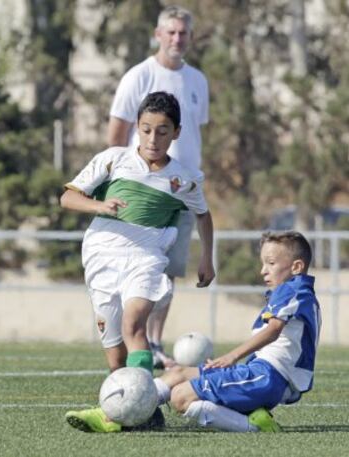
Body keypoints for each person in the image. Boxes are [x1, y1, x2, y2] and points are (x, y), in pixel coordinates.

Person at [61, 91, 215, 433]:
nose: (153, 139)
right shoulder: (113, 160)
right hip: (101, 254)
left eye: (162, 131)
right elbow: (68, 197)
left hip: (146, 256)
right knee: (115, 354)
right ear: (137, 128)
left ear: (175, 132)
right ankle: (126, 410)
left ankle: (144, 407)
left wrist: (207, 258)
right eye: (146, 129)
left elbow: (204, 217)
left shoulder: (185, 178)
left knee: (134, 324)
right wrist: (98, 206)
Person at [107, 5, 209, 368]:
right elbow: (118, 134)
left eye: (183, 33)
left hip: (181, 191)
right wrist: (114, 182)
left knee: (168, 270)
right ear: (157, 34)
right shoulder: (138, 76)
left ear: (190, 37)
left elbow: (195, 135)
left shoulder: (198, 80)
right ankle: (127, 339)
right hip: (142, 190)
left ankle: (154, 342)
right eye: (170, 32)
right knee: (136, 266)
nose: (177, 38)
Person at [152, 231, 322, 432]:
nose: (263, 271)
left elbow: (274, 330)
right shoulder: (299, 293)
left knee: (180, 397)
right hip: (262, 374)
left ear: (296, 267)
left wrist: (231, 356)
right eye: (263, 263)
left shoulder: (293, 289)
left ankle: (252, 426)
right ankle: (136, 405)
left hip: (268, 377)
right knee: (177, 372)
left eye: (271, 263)